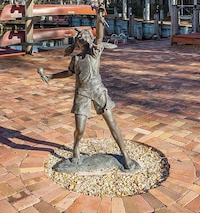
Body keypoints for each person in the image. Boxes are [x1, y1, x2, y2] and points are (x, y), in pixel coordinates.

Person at [37, 28, 135, 170]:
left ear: (90, 39)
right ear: (76, 42)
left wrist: (99, 18)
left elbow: (99, 36)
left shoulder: (94, 53)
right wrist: (50, 76)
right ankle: (76, 148)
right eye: (80, 36)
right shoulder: (76, 59)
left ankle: (125, 155)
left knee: (112, 123)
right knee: (80, 129)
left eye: (86, 35)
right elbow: (68, 73)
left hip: (98, 91)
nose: (83, 36)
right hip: (82, 93)